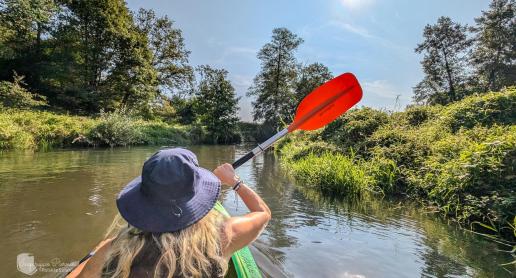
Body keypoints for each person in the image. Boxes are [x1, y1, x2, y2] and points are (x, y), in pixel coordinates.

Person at [67, 148, 271, 278]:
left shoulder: (113, 252)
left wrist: (102, 248)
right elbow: (263, 212)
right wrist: (234, 181)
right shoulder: (224, 235)